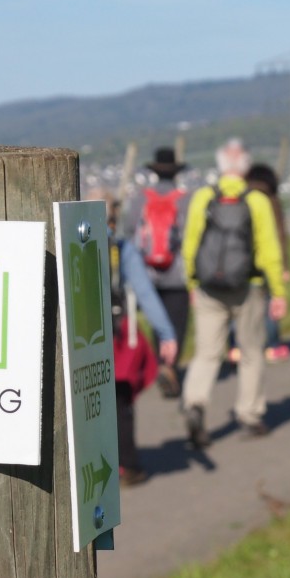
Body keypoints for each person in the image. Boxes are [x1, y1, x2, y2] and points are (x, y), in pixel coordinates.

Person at [180, 139, 288, 448]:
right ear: (245, 166)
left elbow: (190, 244)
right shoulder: (257, 200)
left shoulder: (203, 197)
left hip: (208, 288)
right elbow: (269, 251)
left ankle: (196, 403)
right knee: (252, 352)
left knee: (207, 353)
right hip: (248, 286)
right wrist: (278, 291)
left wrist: (191, 282)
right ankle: (250, 414)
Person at [91, 190, 179, 487]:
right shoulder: (120, 246)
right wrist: (166, 333)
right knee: (121, 401)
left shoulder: (71, 241)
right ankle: (127, 465)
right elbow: (144, 293)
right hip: (117, 336)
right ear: (114, 215)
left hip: (81, 338)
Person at [124, 146, 191, 399]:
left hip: (148, 275)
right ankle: (170, 366)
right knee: (177, 324)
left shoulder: (141, 199)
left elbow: (130, 231)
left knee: (157, 322)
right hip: (178, 275)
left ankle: (161, 364)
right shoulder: (186, 198)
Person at [245, 163, 290, 362]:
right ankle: (272, 346)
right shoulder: (272, 201)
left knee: (241, 305)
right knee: (271, 303)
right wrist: (285, 266)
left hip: (243, 262)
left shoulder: (242, 199)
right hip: (268, 261)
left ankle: (236, 348)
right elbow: (280, 236)